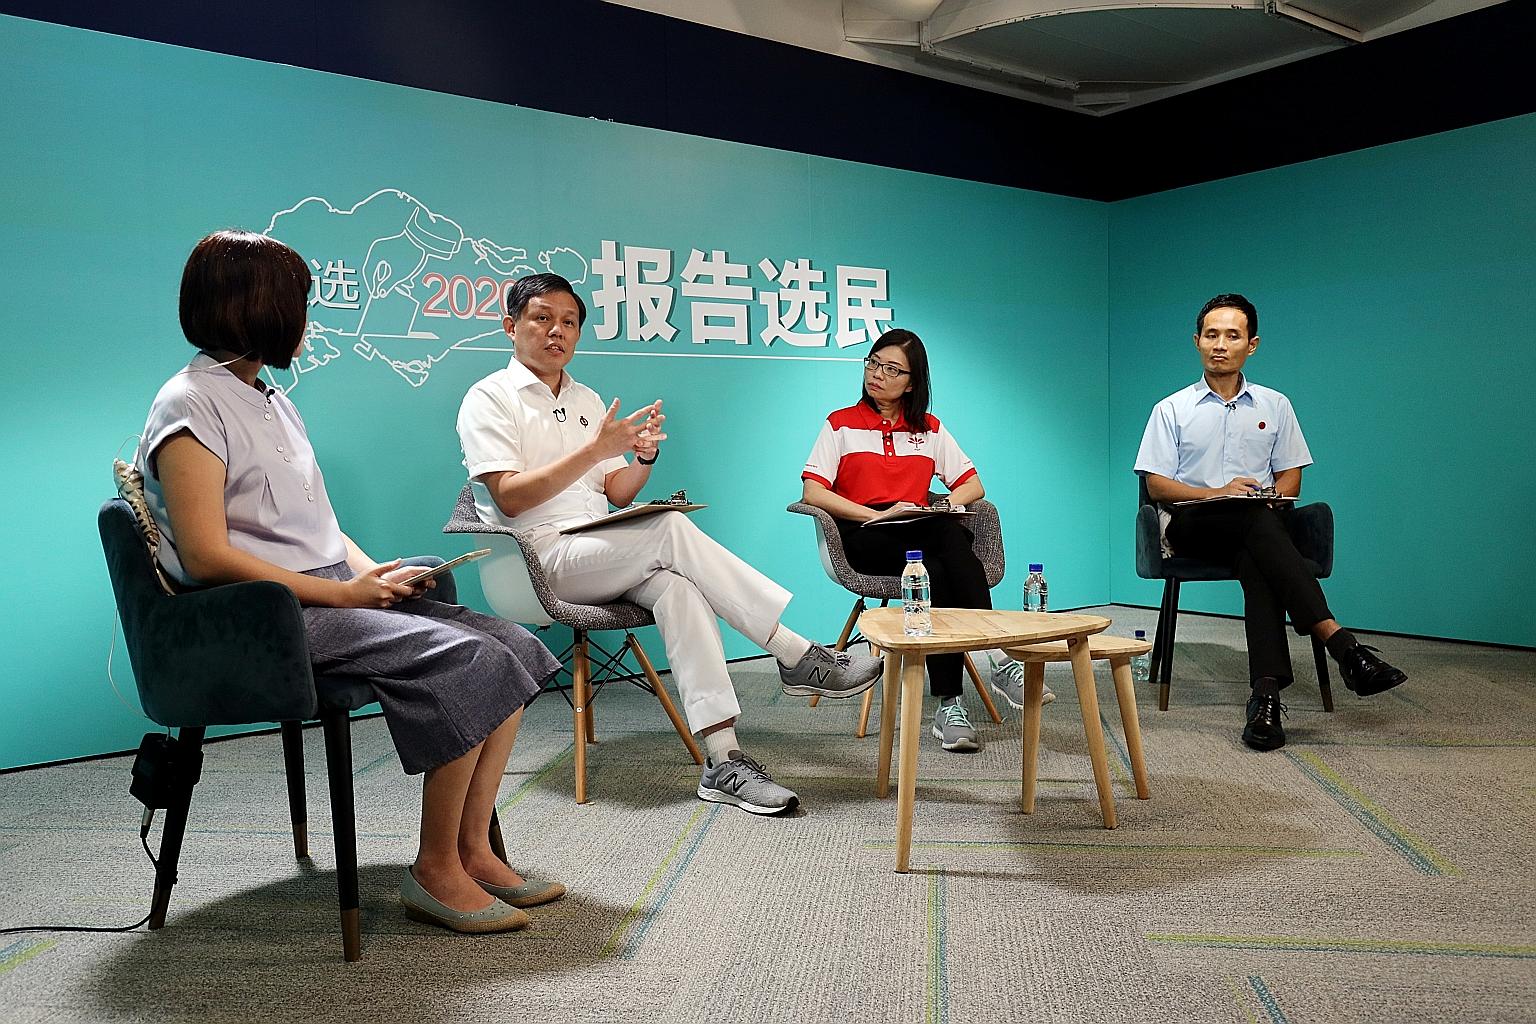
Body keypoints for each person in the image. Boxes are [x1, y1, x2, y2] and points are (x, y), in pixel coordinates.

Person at [136, 230, 564, 934]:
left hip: (322, 591)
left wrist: (371, 573)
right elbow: (208, 557)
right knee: (471, 660)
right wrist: (342, 594)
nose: (308, 319)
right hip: (260, 616)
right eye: (300, 303)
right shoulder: (188, 404)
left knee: (512, 645)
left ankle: (473, 849)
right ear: (259, 308)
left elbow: (318, 522)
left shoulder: (269, 397)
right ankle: (435, 871)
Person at [456, 273, 882, 817]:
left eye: (568, 322)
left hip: (598, 550)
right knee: (670, 530)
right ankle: (796, 654)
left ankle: (723, 760)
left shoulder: (586, 399)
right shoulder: (489, 397)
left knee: (679, 588)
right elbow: (510, 499)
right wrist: (595, 452)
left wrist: (641, 459)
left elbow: (615, 491)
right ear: (511, 326)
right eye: (542, 318)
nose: (556, 331)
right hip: (538, 560)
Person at [1133, 293, 1408, 751]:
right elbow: (1159, 487)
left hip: (1258, 526)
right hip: (1191, 525)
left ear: (1252, 345)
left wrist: (1265, 497)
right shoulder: (1171, 409)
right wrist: (1218, 493)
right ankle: (1342, 646)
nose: (1220, 344)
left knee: (1257, 549)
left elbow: (1291, 476)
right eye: (1211, 335)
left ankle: (1265, 697)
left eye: (1233, 335)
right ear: (1197, 341)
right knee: (1256, 528)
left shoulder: (1275, 405)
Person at [799, 328, 1048, 754]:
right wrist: (876, 515)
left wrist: (945, 503)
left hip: (917, 536)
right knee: (947, 537)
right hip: (864, 538)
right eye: (873, 363)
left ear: (912, 382)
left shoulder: (929, 429)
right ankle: (998, 659)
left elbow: (973, 485)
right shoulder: (839, 424)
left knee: (938, 554)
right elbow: (813, 493)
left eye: (891, 369)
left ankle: (950, 706)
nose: (877, 374)